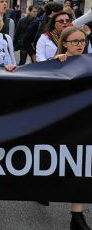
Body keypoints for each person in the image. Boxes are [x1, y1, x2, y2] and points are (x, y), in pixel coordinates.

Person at [52, 26, 90, 230]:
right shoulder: (56, 63)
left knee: (82, 165)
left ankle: (77, 215)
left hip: (85, 123)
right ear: (65, 43)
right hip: (61, 123)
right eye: (75, 41)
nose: (79, 45)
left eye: (82, 41)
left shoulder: (90, 62)